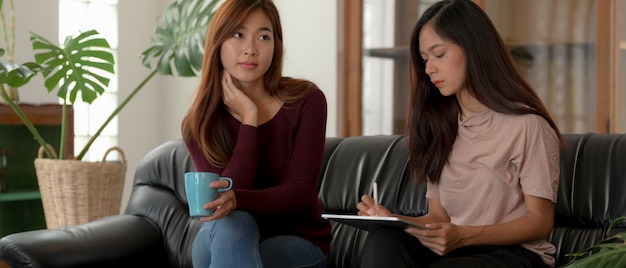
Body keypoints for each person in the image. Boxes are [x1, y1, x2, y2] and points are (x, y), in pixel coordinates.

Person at [357, 0, 566, 267]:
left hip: (514, 255)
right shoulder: (441, 126)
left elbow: (539, 222)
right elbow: (439, 218)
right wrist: (393, 220)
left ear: (473, 48)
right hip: (458, 249)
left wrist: (464, 235)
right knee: (384, 240)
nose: (429, 68)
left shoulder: (528, 125)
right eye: (425, 59)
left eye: (439, 54)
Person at [180, 0, 331, 267]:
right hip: (224, 234)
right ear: (218, 42)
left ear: (276, 46)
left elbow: (298, 193)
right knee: (233, 223)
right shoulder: (199, 124)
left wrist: (237, 199)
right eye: (238, 35)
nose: (250, 49)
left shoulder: (307, 100)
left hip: (296, 240)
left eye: (263, 36)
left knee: (231, 232)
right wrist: (250, 121)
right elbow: (220, 204)